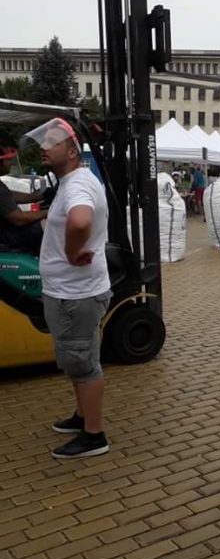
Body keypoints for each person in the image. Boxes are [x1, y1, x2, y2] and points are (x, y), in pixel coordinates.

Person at [28, 118, 112, 459]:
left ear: (73, 151)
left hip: (74, 295)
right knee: (76, 361)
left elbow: (80, 221)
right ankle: (82, 416)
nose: (44, 147)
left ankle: (94, 436)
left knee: (83, 364)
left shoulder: (77, 185)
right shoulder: (72, 181)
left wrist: (72, 251)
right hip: (69, 292)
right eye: (44, 142)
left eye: (53, 142)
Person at [0, 143, 50, 253]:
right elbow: (19, 219)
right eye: (9, 160)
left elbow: (11, 196)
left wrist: (42, 195)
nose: (11, 164)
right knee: (48, 224)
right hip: (8, 238)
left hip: (7, 233)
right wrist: (49, 212)